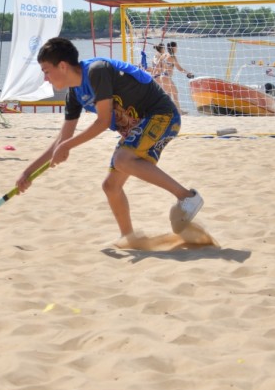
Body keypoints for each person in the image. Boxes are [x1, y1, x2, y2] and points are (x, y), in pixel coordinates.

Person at [15, 37, 202, 239]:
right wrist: (27, 173)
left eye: (46, 71)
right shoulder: (74, 96)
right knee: (110, 186)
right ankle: (129, 238)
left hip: (162, 116)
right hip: (138, 130)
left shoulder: (97, 71)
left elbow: (103, 122)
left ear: (62, 66)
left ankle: (187, 197)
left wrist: (67, 146)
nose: (45, 79)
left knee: (122, 160)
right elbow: (61, 141)